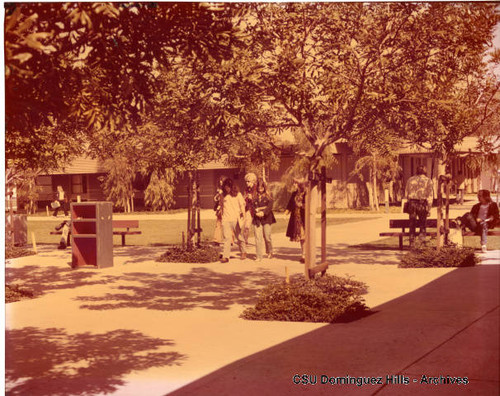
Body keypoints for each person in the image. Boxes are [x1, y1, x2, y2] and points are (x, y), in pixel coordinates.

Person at [405, 165, 434, 246]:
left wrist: (410, 201)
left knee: (412, 223)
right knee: (422, 224)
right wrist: (429, 207)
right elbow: (430, 196)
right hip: (422, 203)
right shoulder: (428, 181)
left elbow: (406, 193)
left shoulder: (410, 180)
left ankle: (412, 242)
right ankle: (421, 242)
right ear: (425, 171)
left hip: (412, 203)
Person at [220, 178, 246, 262]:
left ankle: (243, 251)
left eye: (228, 187)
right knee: (227, 238)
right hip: (226, 219)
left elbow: (242, 206)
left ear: (232, 187)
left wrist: (244, 217)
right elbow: (222, 207)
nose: (226, 189)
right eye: (225, 187)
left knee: (239, 236)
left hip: (235, 219)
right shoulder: (223, 195)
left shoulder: (238, 195)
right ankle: (226, 256)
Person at [252, 179, 276, 261]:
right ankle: (259, 256)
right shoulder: (254, 195)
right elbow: (252, 206)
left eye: (262, 187)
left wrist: (263, 212)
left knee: (267, 236)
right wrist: (256, 212)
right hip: (257, 219)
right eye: (259, 187)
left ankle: (270, 251)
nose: (260, 189)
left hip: (267, 218)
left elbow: (270, 206)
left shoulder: (269, 195)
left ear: (264, 187)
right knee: (258, 238)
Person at [285, 178, 307, 262]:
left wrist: (301, 205)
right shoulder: (294, 194)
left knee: (305, 236)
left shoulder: (306, 194)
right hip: (296, 218)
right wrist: (285, 214)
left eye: (295, 183)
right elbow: (290, 205)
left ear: (299, 184)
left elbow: (308, 206)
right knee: (302, 237)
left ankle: (306, 254)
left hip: (304, 217)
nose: (294, 185)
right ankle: (304, 254)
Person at [243, 172, 258, 244]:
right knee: (246, 226)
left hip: (256, 210)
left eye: (248, 181)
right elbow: (244, 199)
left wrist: (252, 198)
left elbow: (259, 200)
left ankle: (260, 241)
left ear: (253, 181)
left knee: (258, 228)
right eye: (246, 181)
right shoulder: (246, 189)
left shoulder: (257, 188)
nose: (247, 183)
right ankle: (245, 241)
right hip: (248, 209)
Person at [213, 176, 227, 245]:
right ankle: (217, 240)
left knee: (227, 224)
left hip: (225, 209)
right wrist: (217, 197)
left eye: (222, 181)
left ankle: (230, 240)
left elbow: (225, 200)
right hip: (220, 209)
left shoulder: (227, 190)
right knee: (218, 224)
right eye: (220, 181)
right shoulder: (219, 190)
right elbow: (216, 198)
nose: (221, 182)